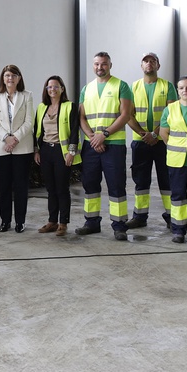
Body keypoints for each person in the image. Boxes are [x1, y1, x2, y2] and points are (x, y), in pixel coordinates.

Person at [76, 52, 133, 241]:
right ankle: (91, 223)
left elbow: (125, 115)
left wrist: (104, 135)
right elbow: (81, 118)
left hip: (113, 144)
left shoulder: (121, 86)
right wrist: (93, 137)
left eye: (104, 64)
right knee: (90, 184)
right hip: (91, 144)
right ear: (93, 66)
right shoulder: (87, 89)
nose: (100, 67)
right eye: (97, 64)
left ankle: (119, 226)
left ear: (110, 65)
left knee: (116, 186)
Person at [126, 53, 176, 229]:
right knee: (141, 180)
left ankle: (172, 216)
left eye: (153, 61)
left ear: (158, 66)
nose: (149, 64)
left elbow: (171, 113)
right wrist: (142, 134)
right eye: (146, 61)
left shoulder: (167, 86)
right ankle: (139, 216)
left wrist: (155, 134)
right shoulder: (133, 87)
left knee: (166, 179)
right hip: (140, 142)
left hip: (162, 141)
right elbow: (128, 114)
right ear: (141, 65)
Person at [0, 65, 34, 233]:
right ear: (3, 78)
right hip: (1, 148)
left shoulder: (27, 96)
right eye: (7, 75)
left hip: (22, 147)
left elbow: (29, 122)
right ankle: (5, 221)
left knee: (21, 186)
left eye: (14, 75)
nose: (10, 78)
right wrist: (5, 138)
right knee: (4, 186)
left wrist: (14, 138)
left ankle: (20, 221)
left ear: (19, 78)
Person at [34, 75, 80, 236]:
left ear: (62, 88)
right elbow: (37, 130)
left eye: (55, 86)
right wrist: (36, 150)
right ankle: (52, 221)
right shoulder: (41, 107)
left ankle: (63, 223)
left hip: (62, 152)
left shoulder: (69, 106)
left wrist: (71, 152)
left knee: (62, 188)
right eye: (49, 87)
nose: (52, 89)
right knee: (50, 188)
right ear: (46, 90)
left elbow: (74, 131)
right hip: (46, 151)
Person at [160, 76, 187, 244]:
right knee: (177, 196)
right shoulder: (170, 109)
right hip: (176, 159)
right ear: (177, 91)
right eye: (182, 88)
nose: (185, 90)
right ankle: (178, 230)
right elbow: (164, 133)